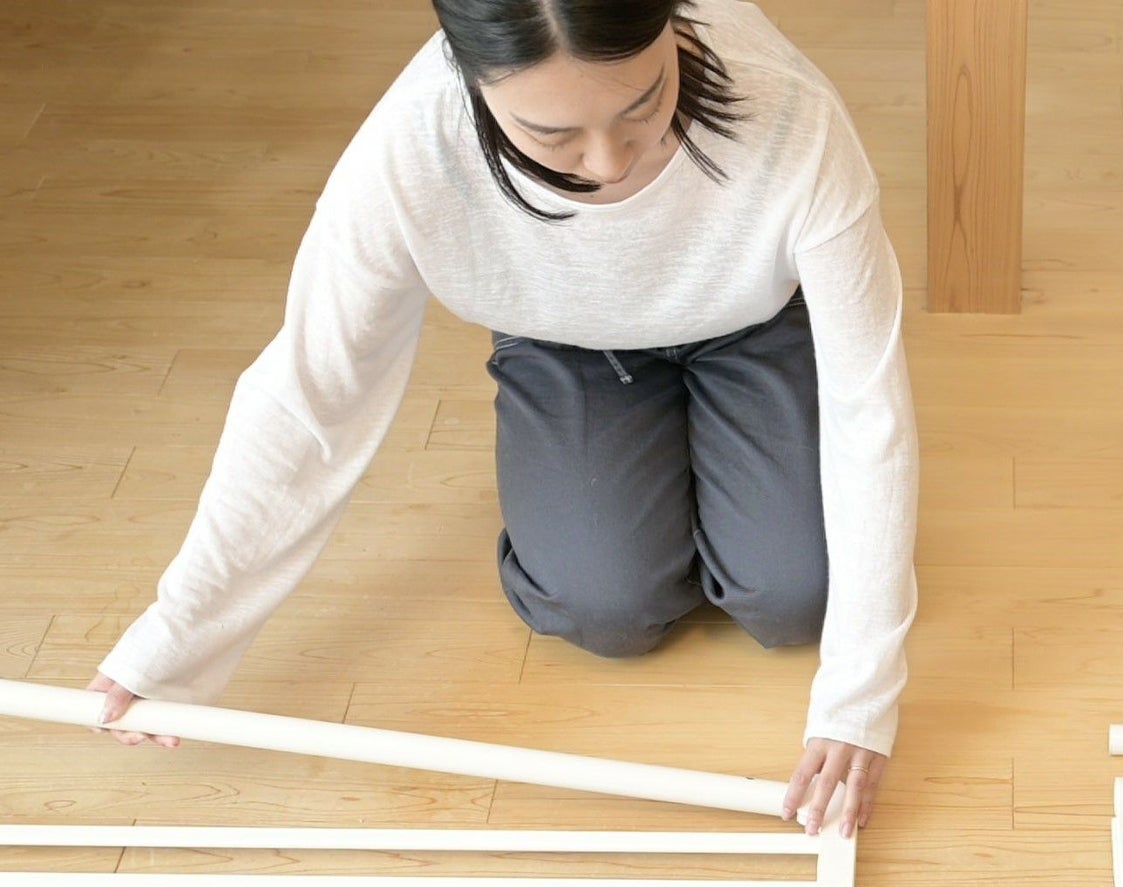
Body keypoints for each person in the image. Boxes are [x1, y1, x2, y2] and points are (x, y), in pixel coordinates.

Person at [90, 0, 918, 839]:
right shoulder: (410, 147)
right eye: (552, 135)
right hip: (570, 336)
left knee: (795, 593)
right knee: (604, 605)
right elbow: (310, 397)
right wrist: (181, 637)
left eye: (643, 103)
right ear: (473, 78)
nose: (608, 162)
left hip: (753, 316)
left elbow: (870, 407)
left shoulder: (790, 114)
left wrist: (859, 700)